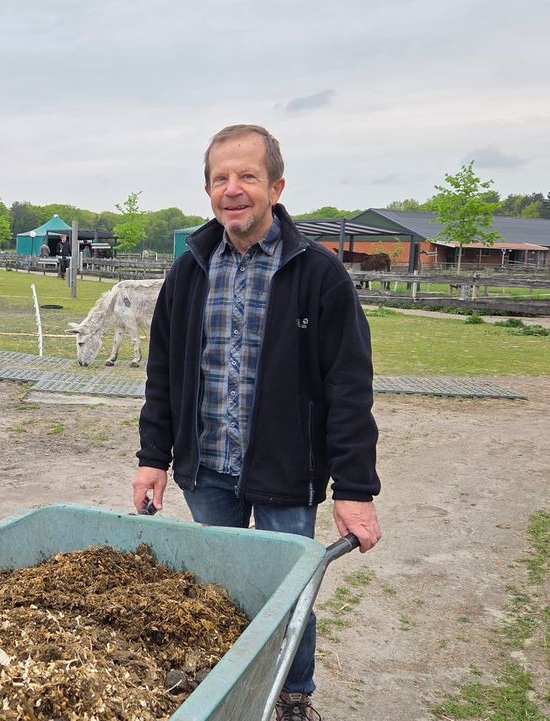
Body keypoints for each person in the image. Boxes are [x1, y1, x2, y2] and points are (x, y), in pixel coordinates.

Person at [132, 124, 382, 721]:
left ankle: (292, 699)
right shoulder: (189, 269)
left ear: (276, 185)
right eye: (220, 178)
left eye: (246, 175)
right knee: (213, 591)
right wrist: (152, 458)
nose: (233, 189)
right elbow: (162, 374)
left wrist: (354, 490)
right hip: (206, 470)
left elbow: (348, 387)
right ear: (208, 190)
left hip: (284, 470)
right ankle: (231, 695)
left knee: (287, 593)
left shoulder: (319, 273)